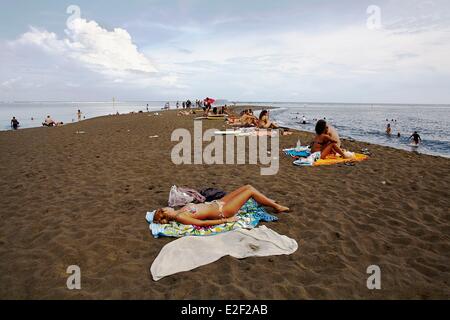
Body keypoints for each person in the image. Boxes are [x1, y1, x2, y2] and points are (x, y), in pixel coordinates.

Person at [152, 185, 289, 226]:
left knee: (247, 186)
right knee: (250, 191)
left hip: (219, 203)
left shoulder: (180, 211)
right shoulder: (181, 217)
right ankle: (276, 207)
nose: (168, 206)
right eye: (165, 208)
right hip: (223, 211)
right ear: (165, 212)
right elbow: (202, 223)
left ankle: (268, 201)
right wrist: (226, 220)